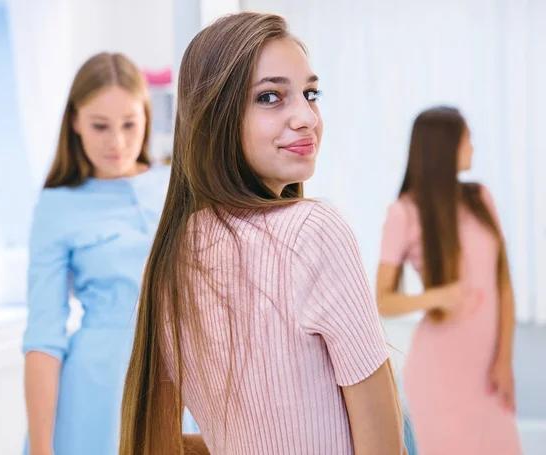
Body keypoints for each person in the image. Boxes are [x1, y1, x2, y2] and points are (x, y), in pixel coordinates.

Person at [120, 12, 405, 455]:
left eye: (311, 94)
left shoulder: (168, 260)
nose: (306, 117)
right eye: (271, 97)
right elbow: (384, 448)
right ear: (215, 118)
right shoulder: (315, 231)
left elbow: (159, 442)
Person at [22, 52, 174, 455]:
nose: (117, 142)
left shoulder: (178, 188)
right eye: (100, 126)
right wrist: (41, 448)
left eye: (129, 124)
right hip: (95, 395)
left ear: (146, 116)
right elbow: (43, 335)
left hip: (182, 384)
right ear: (74, 122)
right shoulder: (57, 206)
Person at [376, 106, 522, 454]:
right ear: (445, 145)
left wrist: (504, 360)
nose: (472, 146)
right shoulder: (403, 213)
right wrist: (438, 296)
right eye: (466, 138)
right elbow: (382, 300)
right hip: (438, 373)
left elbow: (503, 282)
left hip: (487, 370)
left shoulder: (480, 198)